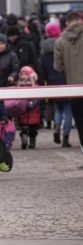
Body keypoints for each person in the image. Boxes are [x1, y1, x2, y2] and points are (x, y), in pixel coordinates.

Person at [54, 11, 83, 153]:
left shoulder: (60, 41)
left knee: (80, 123)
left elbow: (58, 67)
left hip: (74, 88)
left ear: (67, 22)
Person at [41, 22, 72, 147]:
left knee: (58, 108)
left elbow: (42, 70)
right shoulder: (63, 45)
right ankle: (65, 136)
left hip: (51, 83)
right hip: (65, 80)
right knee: (68, 109)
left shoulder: (43, 51)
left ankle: (57, 125)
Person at [16, 66, 41, 149]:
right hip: (23, 112)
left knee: (33, 129)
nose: (23, 77)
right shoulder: (18, 86)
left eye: (25, 75)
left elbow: (38, 97)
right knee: (24, 127)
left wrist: (32, 103)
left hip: (33, 112)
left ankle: (32, 141)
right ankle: (24, 140)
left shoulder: (35, 86)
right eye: (22, 75)